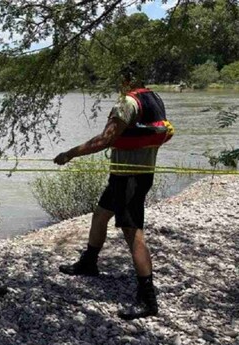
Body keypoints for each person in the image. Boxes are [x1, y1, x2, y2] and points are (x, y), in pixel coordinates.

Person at [53, 62, 173, 320]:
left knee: (133, 232)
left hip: (128, 177)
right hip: (136, 173)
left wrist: (70, 154)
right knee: (100, 214)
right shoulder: (154, 99)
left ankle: (147, 297)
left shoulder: (127, 104)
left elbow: (104, 140)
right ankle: (89, 262)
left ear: (126, 80)